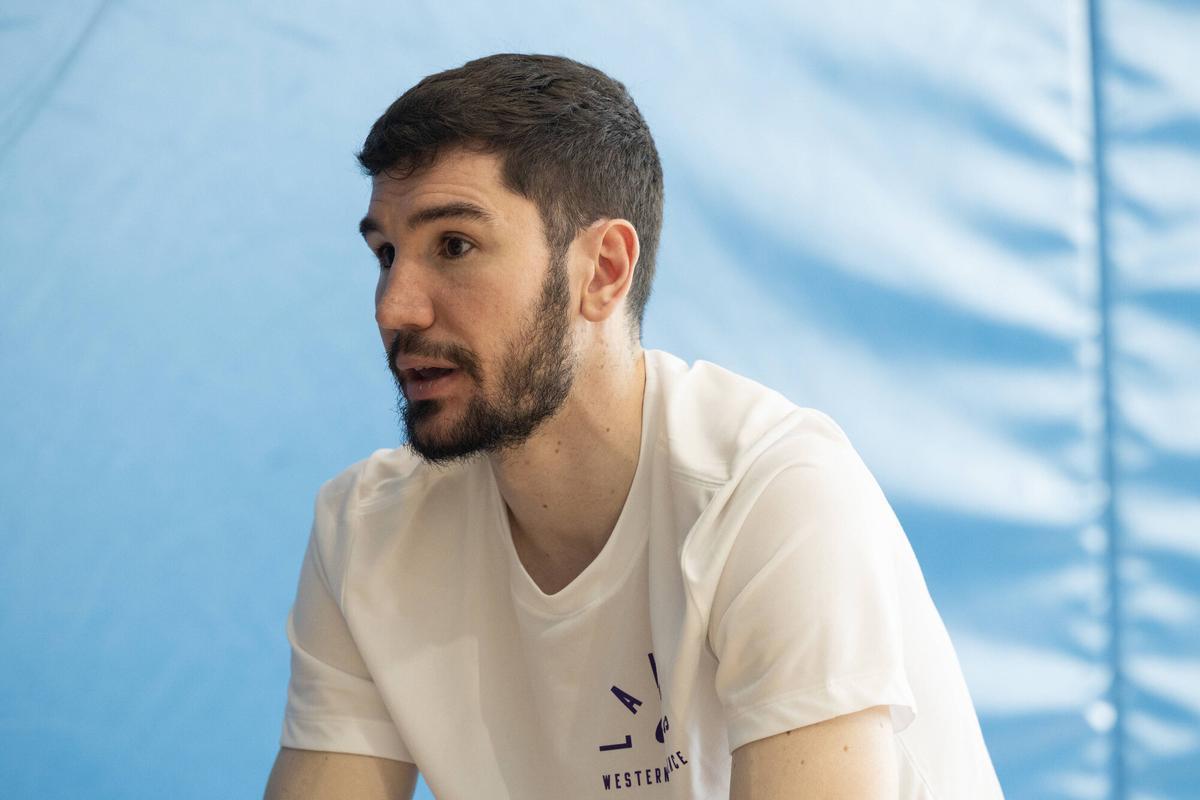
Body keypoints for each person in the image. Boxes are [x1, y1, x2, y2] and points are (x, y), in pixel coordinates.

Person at [264, 53, 1003, 799]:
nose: (395, 307)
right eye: (386, 254)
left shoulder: (772, 492)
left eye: (454, 246)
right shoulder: (367, 530)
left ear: (604, 270)